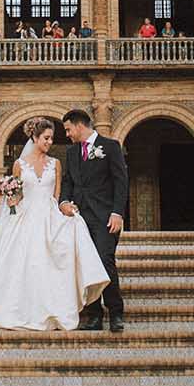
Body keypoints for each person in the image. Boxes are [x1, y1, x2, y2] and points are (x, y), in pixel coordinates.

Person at [0, 117, 109, 331]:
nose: (49, 142)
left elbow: (57, 195)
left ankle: (53, 306)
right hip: (25, 215)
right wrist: (10, 196)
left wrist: (64, 209)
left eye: (51, 139)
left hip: (49, 214)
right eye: (45, 138)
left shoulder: (56, 163)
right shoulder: (19, 165)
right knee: (24, 261)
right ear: (34, 138)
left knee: (63, 241)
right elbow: (16, 196)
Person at [58, 108, 127, 331]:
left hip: (106, 217)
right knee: (86, 264)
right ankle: (94, 315)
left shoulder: (110, 146)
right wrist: (64, 202)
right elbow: (69, 181)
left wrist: (118, 212)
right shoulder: (71, 153)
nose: (67, 134)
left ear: (80, 126)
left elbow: (121, 181)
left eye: (69, 129)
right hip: (80, 218)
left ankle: (116, 313)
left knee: (105, 260)